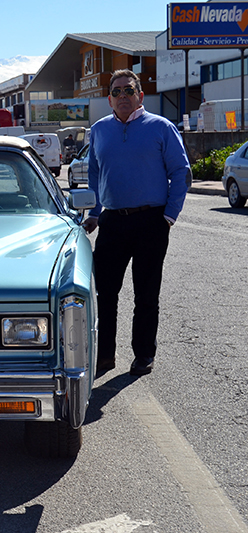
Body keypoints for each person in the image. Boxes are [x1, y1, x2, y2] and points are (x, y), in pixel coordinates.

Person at [82, 69, 189, 378]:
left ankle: (143, 355)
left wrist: (169, 216)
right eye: (116, 92)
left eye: (128, 90)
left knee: (146, 295)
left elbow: (180, 172)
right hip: (112, 222)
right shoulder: (100, 130)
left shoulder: (161, 128)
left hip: (151, 222)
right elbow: (94, 175)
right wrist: (93, 212)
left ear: (140, 95)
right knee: (105, 293)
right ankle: (104, 356)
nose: (123, 96)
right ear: (109, 99)